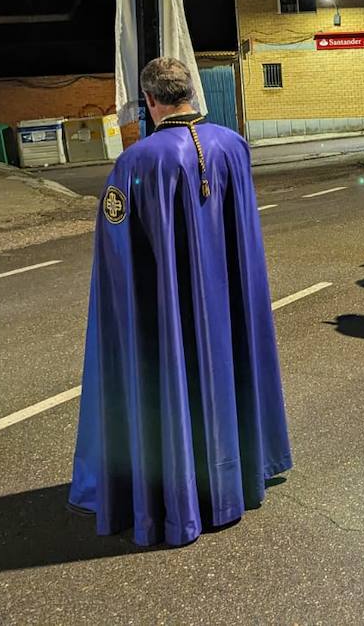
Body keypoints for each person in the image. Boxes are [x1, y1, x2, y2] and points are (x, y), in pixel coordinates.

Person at [69, 57, 290, 547]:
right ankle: (235, 478)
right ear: (190, 90)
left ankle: (176, 495)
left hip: (167, 313)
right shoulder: (233, 146)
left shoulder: (138, 161)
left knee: (173, 386)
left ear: (150, 100)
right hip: (224, 308)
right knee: (224, 378)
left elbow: (118, 253)